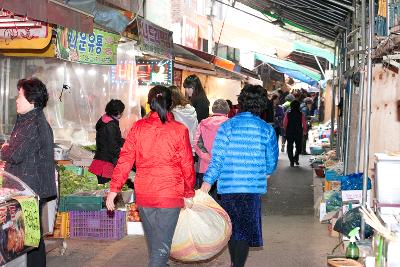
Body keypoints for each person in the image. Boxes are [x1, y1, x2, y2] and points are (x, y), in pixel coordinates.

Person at [106, 85, 195, 267]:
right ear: (171, 104)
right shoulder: (179, 130)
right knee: (160, 249)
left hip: (145, 194)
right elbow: (187, 165)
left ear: (149, 104)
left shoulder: (138, 128)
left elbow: (125, 160)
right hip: (170, 195)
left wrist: (114, 190)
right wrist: (189, 192)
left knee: (156, 245)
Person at [200, 85, 278, 267]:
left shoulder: (227, 126)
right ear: (261, 104)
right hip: (251, 188)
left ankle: (235, 263)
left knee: (232, 227)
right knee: (243, 230)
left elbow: (217, 159)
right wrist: (266, 172)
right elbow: (272, 160)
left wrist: (207, 182)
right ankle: (237, 265)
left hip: (228, 187)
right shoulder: (266, 129)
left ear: (241, 102)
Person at [1, 78, 57, 267]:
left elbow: (15, 153)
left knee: (32, 238)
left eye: (20, 96)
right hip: (29, 187)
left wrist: (3, 148)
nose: (16, 100)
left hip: (30, 189)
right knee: (32, 237)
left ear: (31, 100)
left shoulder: (33, 123)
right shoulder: (29, 119)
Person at [193, 99, 230, 199]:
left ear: (213, 110)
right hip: (225, 168)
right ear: (227, 111)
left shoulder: (203, 123)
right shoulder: (230, 124)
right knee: (223, 203)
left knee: (207, 202)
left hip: (205, 168)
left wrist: (209, 158)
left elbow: (197, 143)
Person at [89, 99, 125, 184]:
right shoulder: (110, 125)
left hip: (101, 161)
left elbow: (116, 139)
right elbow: (113, 146)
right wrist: (125, 154)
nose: (122, 114)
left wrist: (129, 142)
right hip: (105, 164)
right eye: (122, 111)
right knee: (105, 192)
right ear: (118, 112)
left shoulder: (106, 120)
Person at [169, 85, 198, 154]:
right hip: (192, 148)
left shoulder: (173, 113)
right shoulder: (192, 110)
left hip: (179, 150)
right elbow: (196, 128)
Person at [283, 100, 308, 167]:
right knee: (299, 147)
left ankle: (292, 160)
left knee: (290, 146)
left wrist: (285, 131)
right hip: (298, 132)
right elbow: (304, 124)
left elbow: (285, 124)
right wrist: (305, 131)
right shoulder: (301, 114)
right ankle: (295, 159)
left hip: (290, 132)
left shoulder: (288, 114)